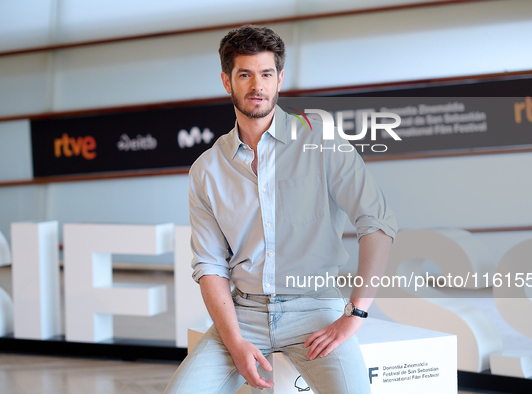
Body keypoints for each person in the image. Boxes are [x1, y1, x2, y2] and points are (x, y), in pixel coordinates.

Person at [164, 24, 397, 394]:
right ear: (227, 81)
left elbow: (377, 224)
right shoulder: (206, 169)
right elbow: (209, 265)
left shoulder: (321, 141)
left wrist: (355, 314)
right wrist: (234, 341)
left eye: (266, 74)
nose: (257, 85)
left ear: (279, 78)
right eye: (245, 74)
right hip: (244, 314)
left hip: (315, 310)